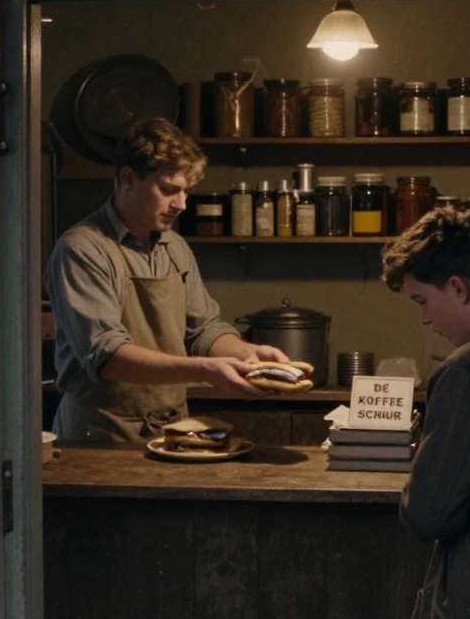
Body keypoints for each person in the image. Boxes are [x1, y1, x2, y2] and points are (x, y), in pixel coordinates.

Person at [45, 118, 288, 442]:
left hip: (172, 435)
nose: (182, 204)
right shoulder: (82, 249)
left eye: (186, 191)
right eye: (169, 190)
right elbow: (108, 355)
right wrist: (204, 370)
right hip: (100, 438)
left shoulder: (174, 246)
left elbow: (204, 330)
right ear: (128, 179)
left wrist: (249, 355)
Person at [381, 207, 470, 619]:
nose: (423, 320)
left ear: (458, 287)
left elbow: (426, 514)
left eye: (421, 301)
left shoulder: (469, 369)